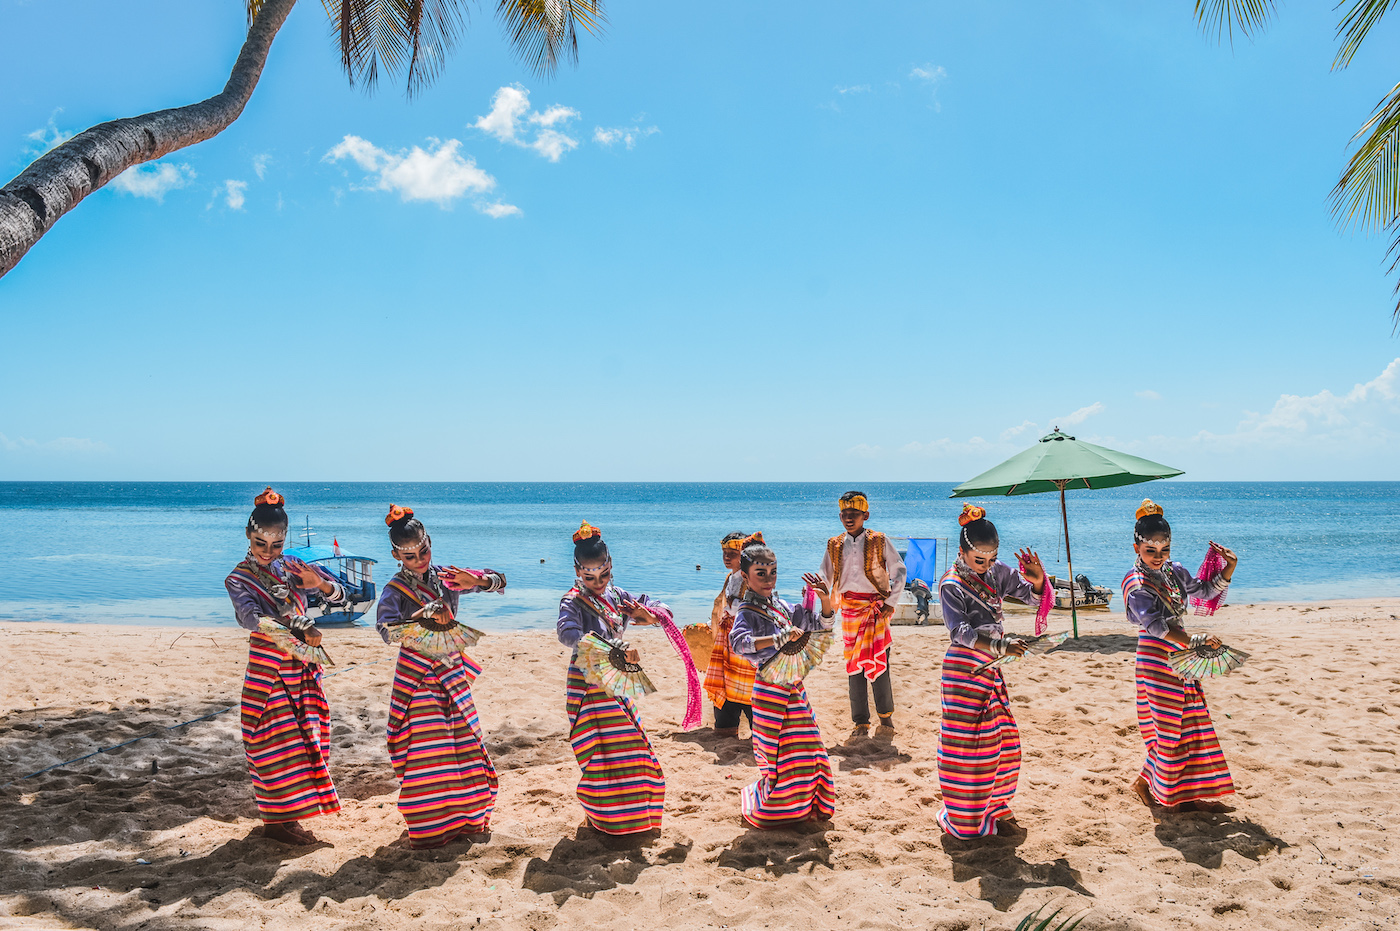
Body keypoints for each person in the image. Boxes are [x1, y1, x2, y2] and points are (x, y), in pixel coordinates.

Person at [376, 505, 505, 848]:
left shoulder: (447, 577)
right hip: (418, 679)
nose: (419, 559)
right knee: (429, 752)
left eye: (424, 550)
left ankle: (469, 817)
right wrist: (421, 614)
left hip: (451, 670)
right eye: (410, 555)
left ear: (429, 542)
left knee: (465, 743)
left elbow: (500, 580)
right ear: (395, 555)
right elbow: (386, 631)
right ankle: (430, 825)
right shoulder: (394, 590)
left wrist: (477, 580)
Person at [224, 487, 347, 846]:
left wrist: (319, 582)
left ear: (284, 541)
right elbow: (250, 619)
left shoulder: (293, 567)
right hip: (268, 669)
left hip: (302, 665)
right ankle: (274, 823)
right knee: (272, 742)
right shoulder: (238, 578)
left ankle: (288, 817)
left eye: (275, 545)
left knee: (308, 737)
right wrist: (294, 623)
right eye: (261, 543)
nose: (268, 552)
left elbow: (342, 593)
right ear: (250, 535)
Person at [935, 504, 1050, 839]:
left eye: (991, 559)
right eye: (978, 561)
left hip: (992, 668)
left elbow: (1031, 598)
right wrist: (1002, 646)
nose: (986, 567)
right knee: (970, 749)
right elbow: (961, 633)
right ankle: (964, 817)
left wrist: (1038, 580)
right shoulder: (951, 584)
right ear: (962, 553)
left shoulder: (998, 572)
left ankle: (995, 807)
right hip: (964, 670)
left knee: (1004, 743)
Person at [1122, 499, 1238, 812]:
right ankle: (1144, 783)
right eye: (1151, 551)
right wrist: (1197, 640)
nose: (1158, 557)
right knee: (1169, 729)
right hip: (1157, 657)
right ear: (1137, 548)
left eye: (1164, 550)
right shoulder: (1135, 585)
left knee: (1190, 722)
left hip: (1183, 655)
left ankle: (1184, 794)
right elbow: (1157, 627)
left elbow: (1204, 591)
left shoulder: (1175, 573)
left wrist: (1229, 566)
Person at [556, 521, 672, 834]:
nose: (597, 582)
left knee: (634, 747)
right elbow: (567, 635)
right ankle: (602, 817)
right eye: (589, 576)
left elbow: (659, 608)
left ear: (611, 566)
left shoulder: (618, 596)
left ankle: (627, 816)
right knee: (600, 754)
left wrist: (651, 616)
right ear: (578, 570)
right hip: (588, 686)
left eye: (604, 575)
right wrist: (616, 646)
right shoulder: (572, 601)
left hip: (618, 683)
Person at [729, 540, 837, 827]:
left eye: (773, 572)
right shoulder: (746, 612)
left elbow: (820, 626)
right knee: (781, 753)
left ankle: (803, 805)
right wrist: (779, 638)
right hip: (769, 689)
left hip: (793, 686)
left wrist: (825, 599)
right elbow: (738, 645)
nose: (768, 579)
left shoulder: (781, 606)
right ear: (745, 576)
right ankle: (780, 808)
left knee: (810, 748)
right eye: (761, 573)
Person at [819, 491, 906, 740]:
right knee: (853, 668)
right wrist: (821, 599)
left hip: (875, 611)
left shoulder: (879, 540)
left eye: (854, 514)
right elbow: (826, 576)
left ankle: (886, 718)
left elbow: (899, 570)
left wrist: (891, 601)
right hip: (849, 612)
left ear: (865, 515)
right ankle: (860, 722)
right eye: (845, 514)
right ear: (840, 516)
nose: (849, 518)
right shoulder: (834, 544)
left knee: (880, 665)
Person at [704, 531, 757, 737]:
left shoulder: (753, 577)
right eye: (724, 552)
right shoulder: (730, 577)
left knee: (748, 685)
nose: (727, 557)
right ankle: (726, 725)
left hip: (744, 642)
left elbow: (750, 608)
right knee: (726, 683)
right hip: (727, 640)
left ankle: (758, 730)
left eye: (732, 553)